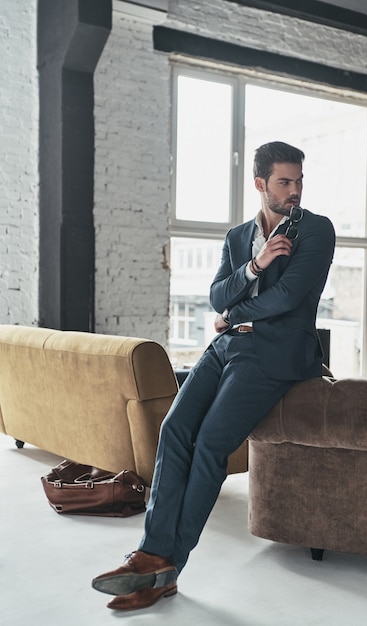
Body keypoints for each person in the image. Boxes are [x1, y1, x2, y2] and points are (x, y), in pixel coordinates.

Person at [92, 140, 336, 611]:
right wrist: (254, 265)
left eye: (299, 180)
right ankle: (149, 554)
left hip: (275, 353)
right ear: (261, 184)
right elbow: (215, 295)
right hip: (226, 345)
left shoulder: (316, 231)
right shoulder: (237, 236)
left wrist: (235, 308)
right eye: (285, 182)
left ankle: (166, 566)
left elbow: (286, 298)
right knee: (175, 429)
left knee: (210, 444)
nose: (295, 191)